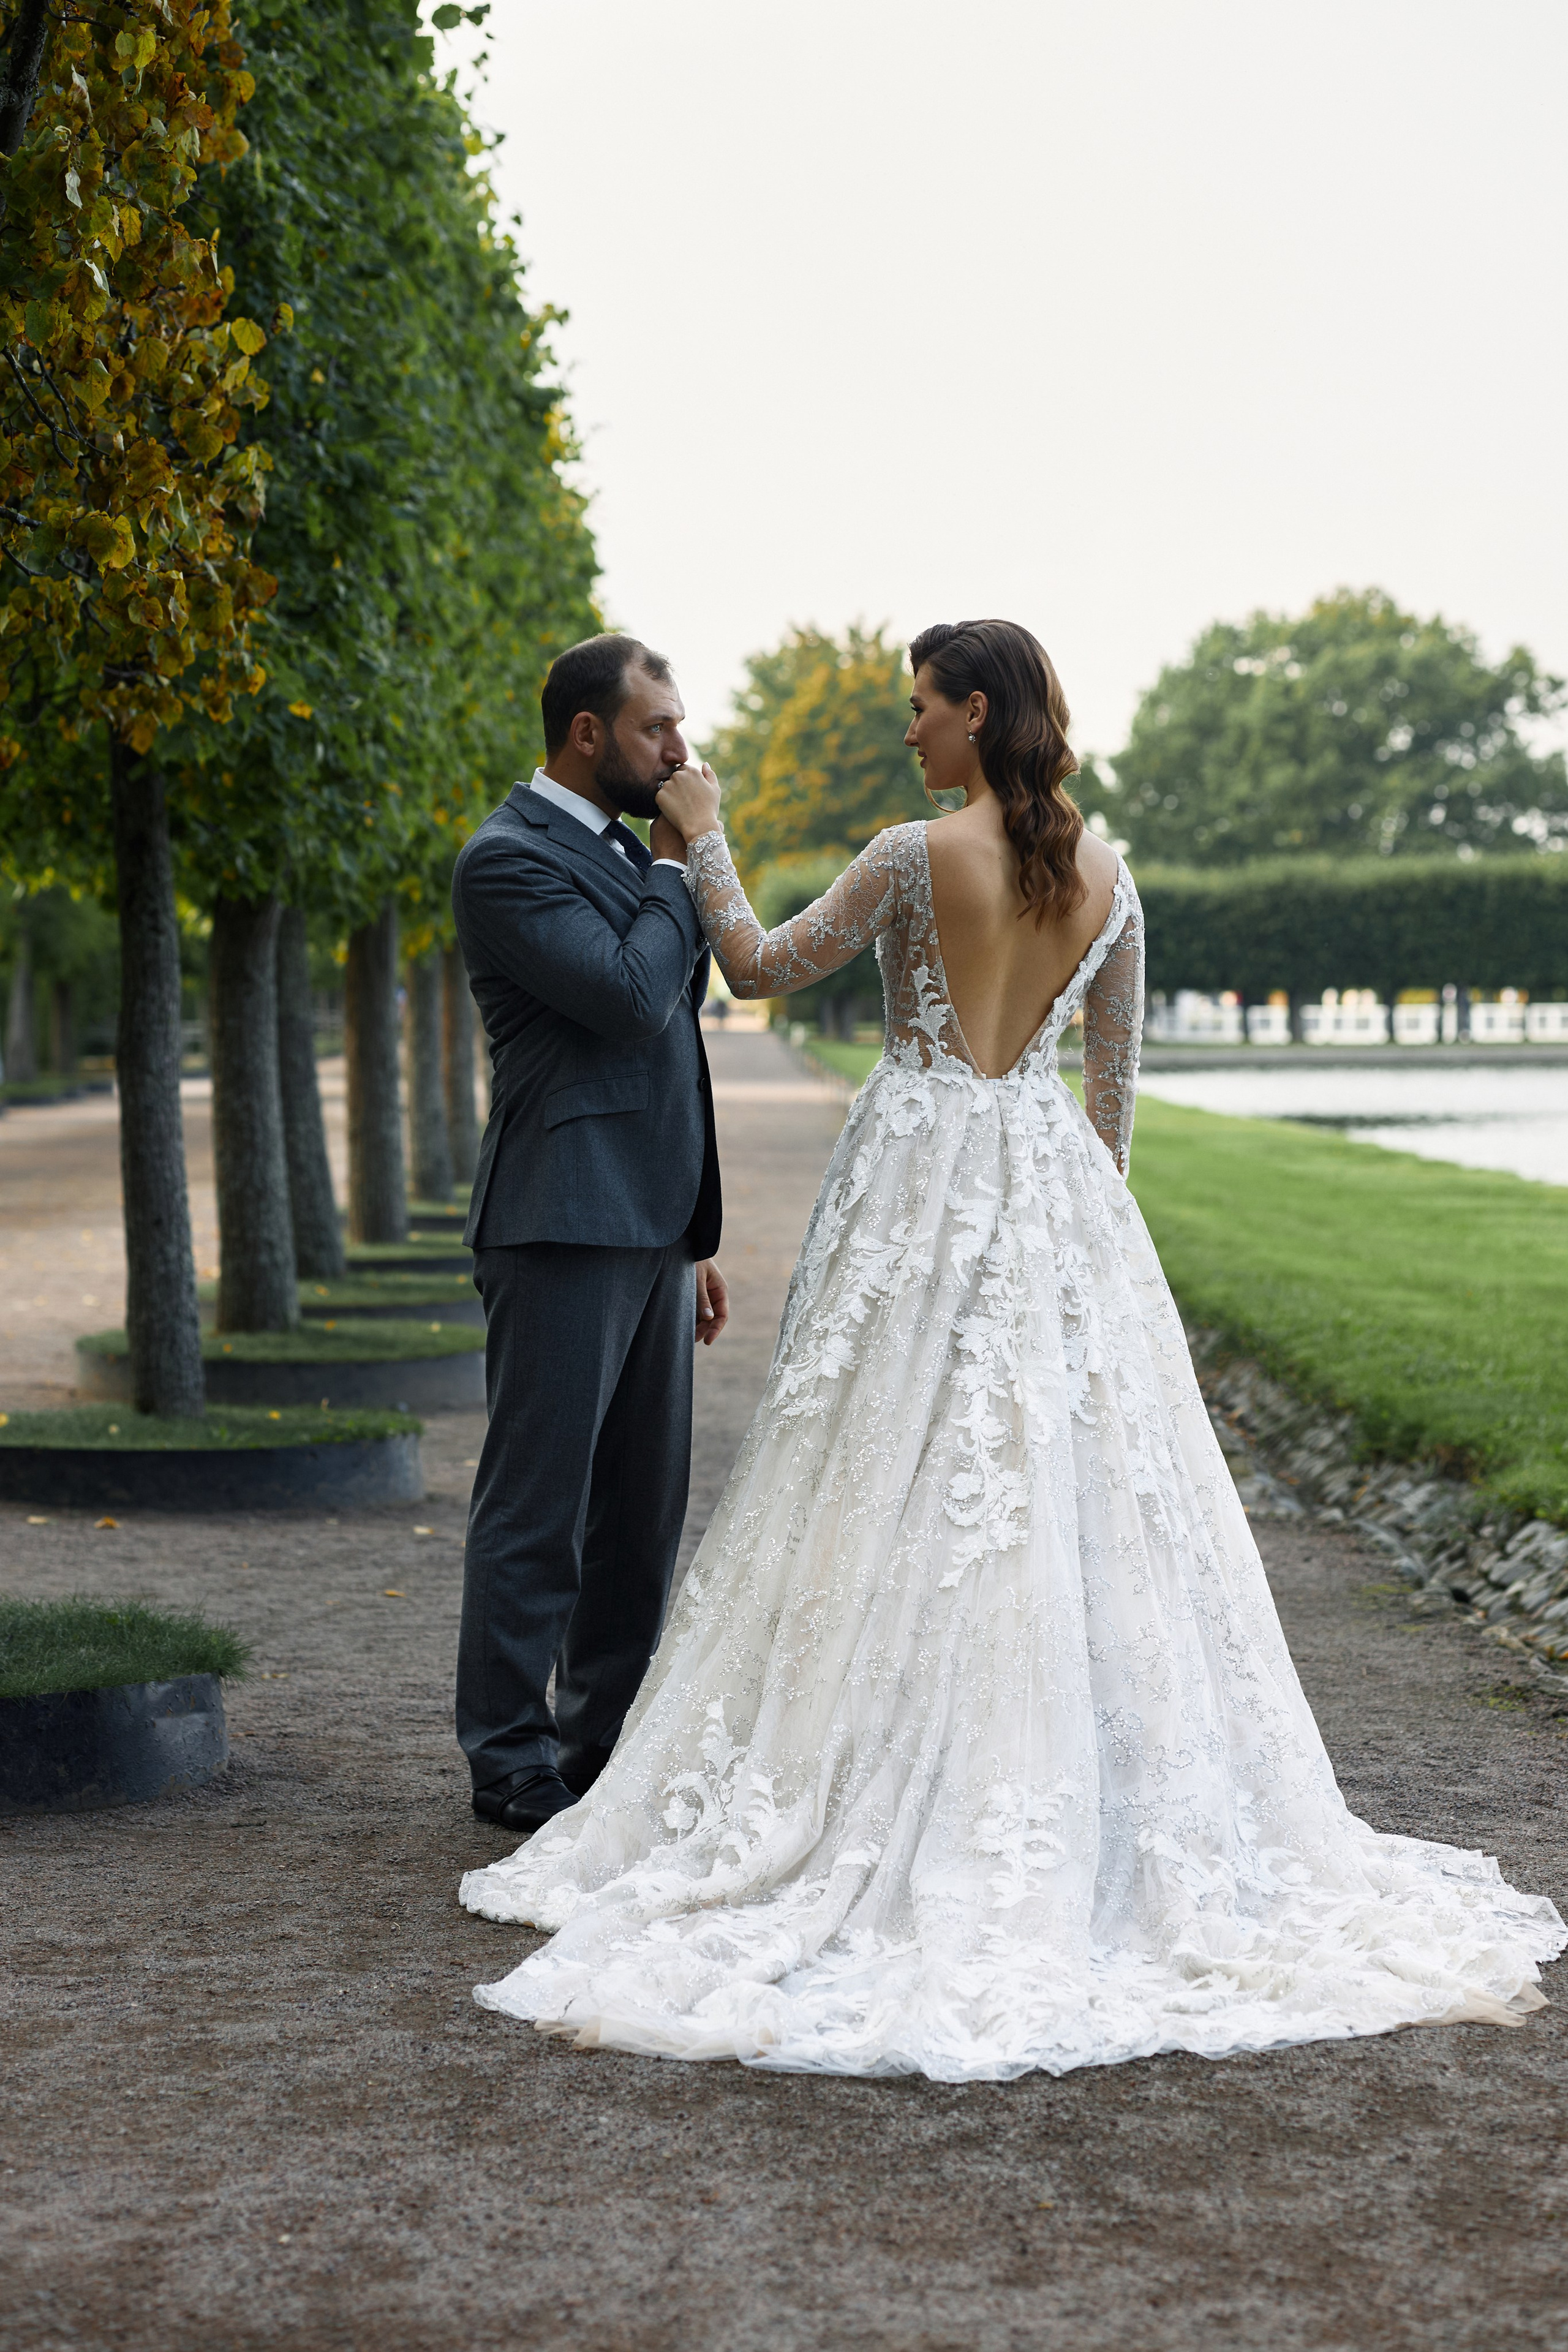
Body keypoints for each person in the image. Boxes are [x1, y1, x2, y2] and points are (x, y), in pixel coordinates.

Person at [458, 618, 1563, 2079]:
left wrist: (706, 843)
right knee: (1048, 1492)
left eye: (919, 708)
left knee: (872, 1467)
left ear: (975, 714)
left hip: (916, 1171)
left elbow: (759, 966)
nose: (905, 731)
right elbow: (1111, 1110)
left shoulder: (911, 855)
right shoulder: (1110, 883)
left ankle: (829, 1767)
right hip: (1041, 1192)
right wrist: (1066, 1251)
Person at [451, 633, 728, 1836]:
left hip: (652, 1222)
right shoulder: (506, 861)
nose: (680, 749)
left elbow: (683, 999)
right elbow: (624, 999)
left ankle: (599, 1743)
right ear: (587, 734)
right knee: (539, 1505)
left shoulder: (626, 851)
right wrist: (678, 866)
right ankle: (509, 1754)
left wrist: (694, 1234)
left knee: (639, 1509)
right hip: (559, 1218)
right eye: (657, 727)